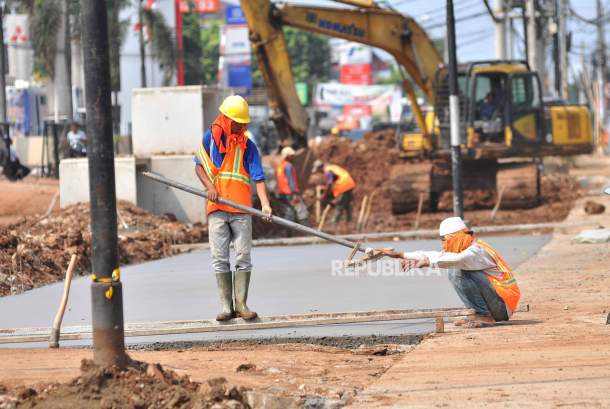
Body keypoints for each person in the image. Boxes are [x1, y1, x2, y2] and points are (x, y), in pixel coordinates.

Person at [194, 95, 272, 322]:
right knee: (219, 257)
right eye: (238, 122)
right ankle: (226, 307)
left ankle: (242, 305)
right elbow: (198, 165)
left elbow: (258, 177)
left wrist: (265, 204)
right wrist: (209, 186)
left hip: (241, 210)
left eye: (244, 123)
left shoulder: (248, 146)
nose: (242, 126)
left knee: (243, 255)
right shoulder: (210, 139)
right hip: (217, 208)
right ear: (227, 119)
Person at [379, 217, 521, 328]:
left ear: (456, 237)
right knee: (455, 270)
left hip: (503, 306)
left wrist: (428, 263)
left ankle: (483, 315)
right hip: (498, 302)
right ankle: (478, 313)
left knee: (457, 271)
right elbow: (437, 255)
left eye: (444, 240)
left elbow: (457, 260)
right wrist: (400, 254)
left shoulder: (476, 251)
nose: (443, 245)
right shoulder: (468, 247)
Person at [276, 146, 309, 224]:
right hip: (290, 193)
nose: (293, 157)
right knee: (301, 211)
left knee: (288, 213)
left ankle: (287, 234)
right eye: (291, 155)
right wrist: (295, 193)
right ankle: (308, 232)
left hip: (282, 193)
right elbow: (290, 180)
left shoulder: (280, 166)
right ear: (287, 156)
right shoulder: (288, 166)